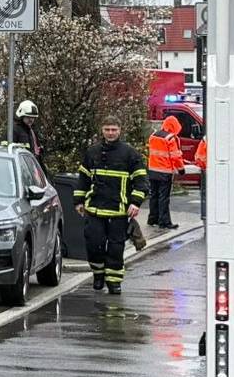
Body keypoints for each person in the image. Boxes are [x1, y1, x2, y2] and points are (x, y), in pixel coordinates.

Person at [76, 117, 147, 294]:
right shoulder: (92, 152)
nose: (110, 132)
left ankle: (114, 282)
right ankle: (98, 274)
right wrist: (78, 200)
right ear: (102, 130)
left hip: (118, 211)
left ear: (120, 130)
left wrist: (136, 203)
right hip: (95, 209)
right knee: (94, 244)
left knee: (116, 248)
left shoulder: (130, 154)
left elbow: (141, 180)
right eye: (107, 129)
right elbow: (83, 179)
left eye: (114, 129)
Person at [146, 115, 183, 227]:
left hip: (152, 170)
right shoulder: (170, 138)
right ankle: (164, 221)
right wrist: (181, 169)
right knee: (164, 197)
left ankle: (152, 219)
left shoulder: (153, 136)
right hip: (164, 172)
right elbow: (175, 156)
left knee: (154, 196)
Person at [193, 135, 209, 222]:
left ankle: (205, 214)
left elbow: (199, 157)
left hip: (206, 169)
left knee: (204, 194)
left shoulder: (205, 139)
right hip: (217, 171)